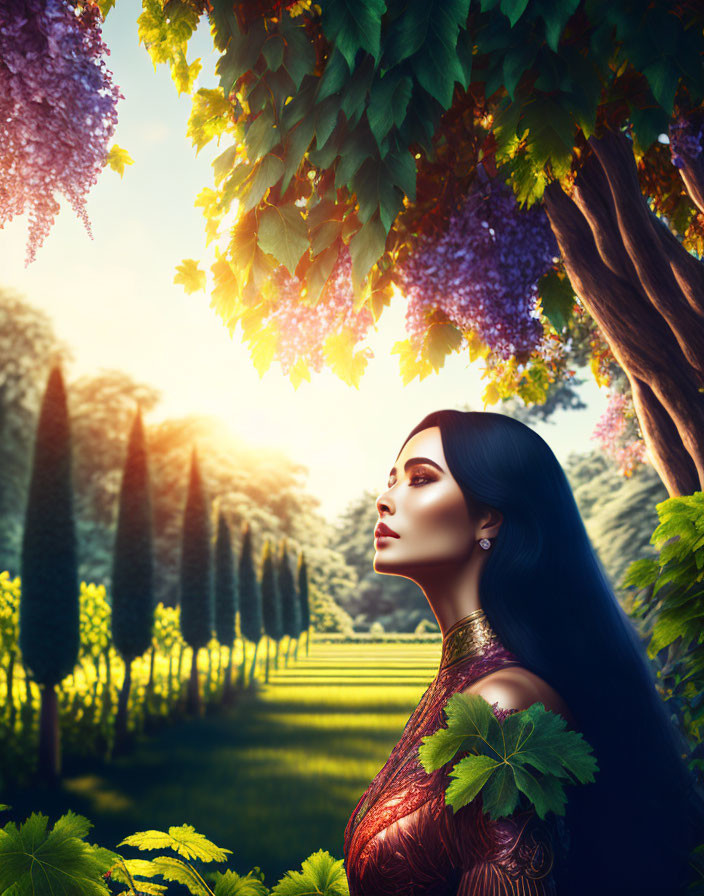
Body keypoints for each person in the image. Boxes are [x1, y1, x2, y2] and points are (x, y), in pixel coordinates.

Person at [342, 410, 704, 895]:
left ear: (488, 516)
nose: (385, 500)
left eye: (420, 479)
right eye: (391, 481)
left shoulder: (506, 707)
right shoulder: (464, 685)